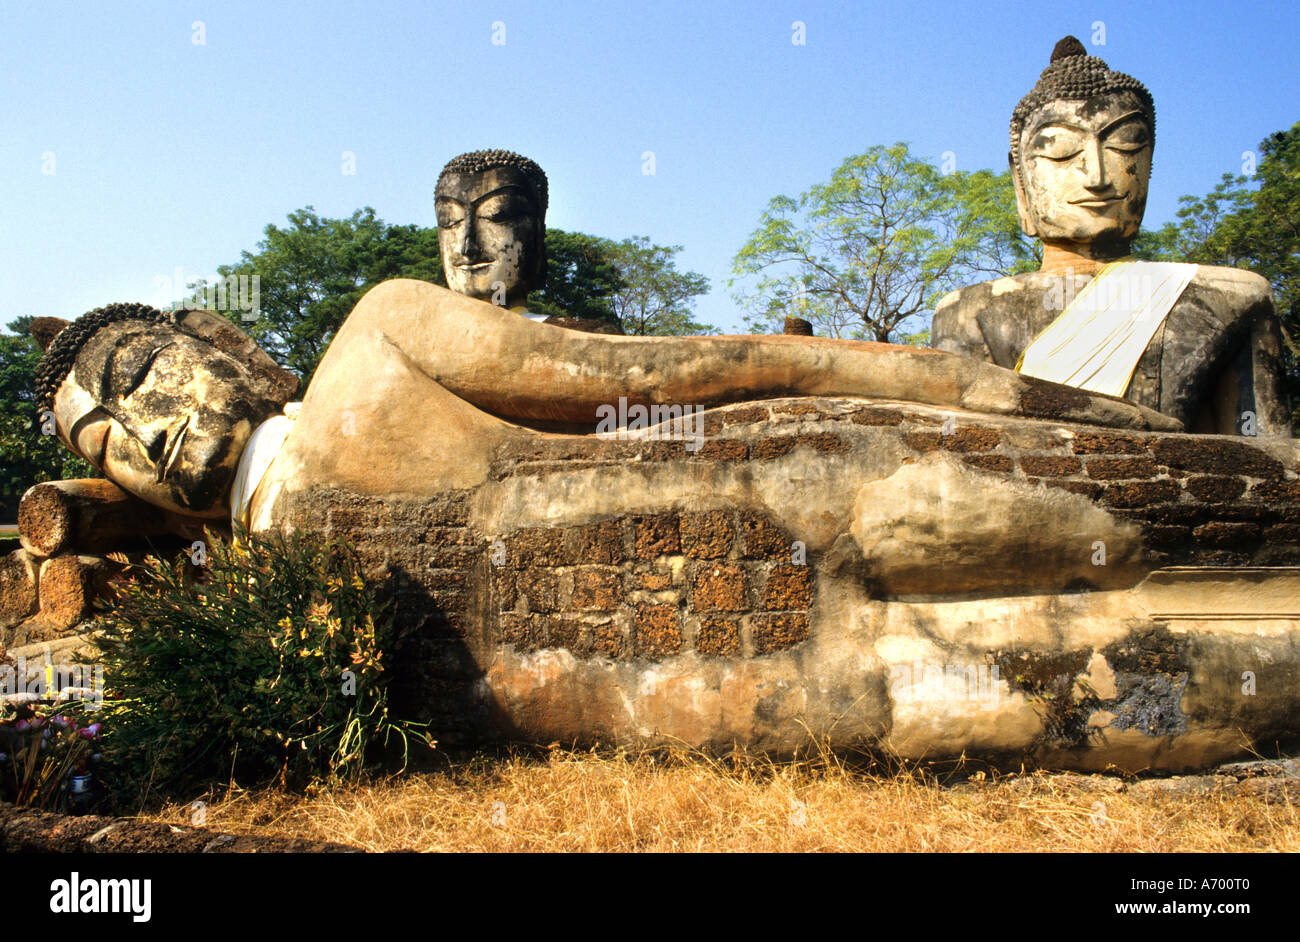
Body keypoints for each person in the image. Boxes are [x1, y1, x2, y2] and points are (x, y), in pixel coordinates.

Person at [931, 36, 1291, 437]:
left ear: (1148, 162)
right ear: (1021, 179)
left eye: (1123, 145)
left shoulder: (1232, 298)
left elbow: (1267, 460)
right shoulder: (969, 312)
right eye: (1062, 150)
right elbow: (962, 460)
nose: (1097, 176)